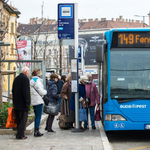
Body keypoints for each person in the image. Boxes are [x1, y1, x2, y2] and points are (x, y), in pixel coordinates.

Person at [12, 66, 30, 139]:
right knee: (23, 120)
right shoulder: (25, 79)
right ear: (25, 72)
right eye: (28, 72)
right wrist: (27, 102)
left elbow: (13, 90)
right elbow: (26, 92)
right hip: (23, 104)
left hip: (17, 103)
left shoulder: (16, 79)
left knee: (19, 120)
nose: (28, 74)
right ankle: (20, 135)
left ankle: (20, 134)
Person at [30, 69, 47, 137]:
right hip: (39, 100)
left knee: (36, 116)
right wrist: (45, 92)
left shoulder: (31, 81)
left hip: (34, 100)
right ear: (39, 74)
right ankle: (36, 131)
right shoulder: (38, 81)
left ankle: (36, 130)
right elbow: (41, 91)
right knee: (38, 116)